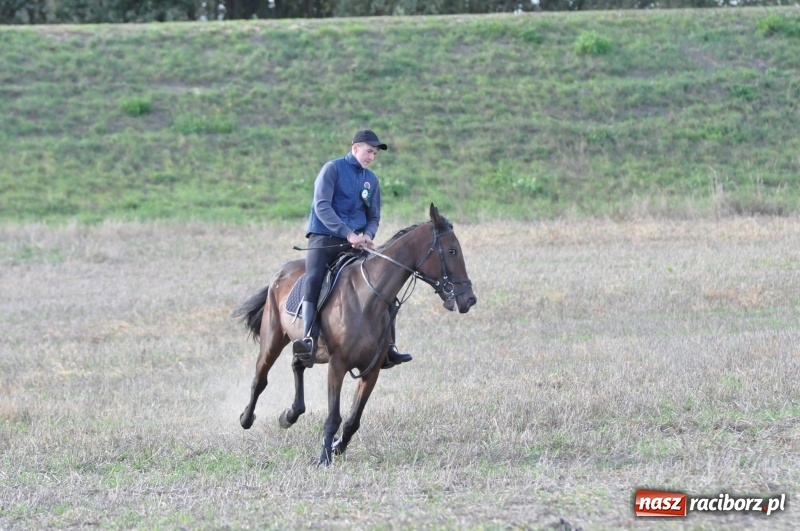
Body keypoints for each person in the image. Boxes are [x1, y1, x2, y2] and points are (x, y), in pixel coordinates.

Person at [292, 129, 413, 369]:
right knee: (314, 279)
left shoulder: (372, 180)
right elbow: (322, 206)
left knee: (385, 282)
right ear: (355, 147)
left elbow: (374, 216)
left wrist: (368, 234)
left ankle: (388, 347)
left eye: (375, 153)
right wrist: (348, 233)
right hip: (325, 238)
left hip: (356, 243)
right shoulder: (332, 169)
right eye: (369, 151)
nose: (371, 157)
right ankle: (308, 339)